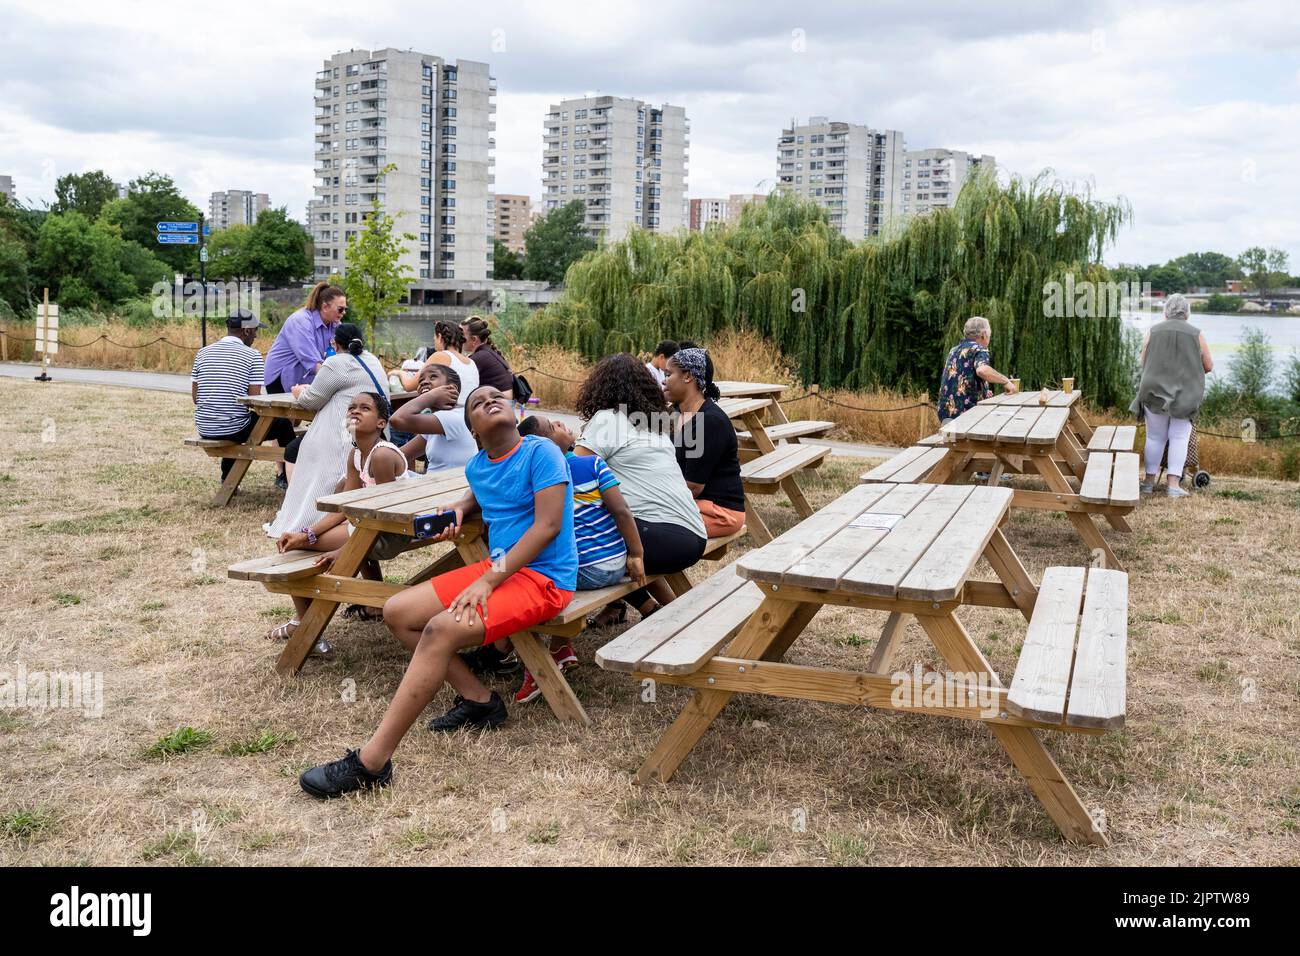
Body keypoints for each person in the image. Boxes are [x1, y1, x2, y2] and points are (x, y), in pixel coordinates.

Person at [298, 384, 577, 798]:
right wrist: (463, 509)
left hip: (544, 578)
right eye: (477, 403)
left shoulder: (541, 451)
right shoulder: (479, 465)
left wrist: (486, 581)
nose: (489, 401)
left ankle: (372, 762)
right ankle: (480, 701)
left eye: (495, 397)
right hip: (498, 568)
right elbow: (479, 488)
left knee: (439, 630)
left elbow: (547, 526)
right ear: (474, 431)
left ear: (514, 411)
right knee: (397, 610)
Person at [513, 412, 646, 703]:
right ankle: (561, 647)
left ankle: (533, 668)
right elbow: (622, 511)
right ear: (543, 444)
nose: (564, 425)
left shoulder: (533, 476)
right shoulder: (592, 463)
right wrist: (635, 553)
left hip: (584, 570)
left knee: (519, 581)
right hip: (614, 563)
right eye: (555, 426)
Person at [266, 392, 412, 645]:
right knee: (294, 542)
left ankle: (305, 624)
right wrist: (307, 533)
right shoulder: (356, 455)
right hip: (367, 527)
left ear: (381, 423)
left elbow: (388, 515)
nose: (355, 411)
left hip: (390, 533)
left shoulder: (382, 456)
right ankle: (315, 619)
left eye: (364, 408)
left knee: (291, 552)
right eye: (351, 408)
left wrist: (345, 550)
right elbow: (343, 507)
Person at [574, 353, 708, 627]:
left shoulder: (606, 418)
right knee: (619, 535)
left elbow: (575, 476)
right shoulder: (654, 423)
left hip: (661, 537)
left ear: (599, 387)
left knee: (584, 541)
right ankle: (660, 612)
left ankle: (555, 642)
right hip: (693, 534)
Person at [265, 323, 389, 538]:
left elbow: (312, 400)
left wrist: (297, 391)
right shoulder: (373, 361)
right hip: (366, 432)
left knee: (318, 471)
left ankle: (306, 523)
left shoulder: (336, 362)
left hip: (340, 430)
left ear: (334, 343)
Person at [191, 309, 295, 486]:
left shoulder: (203, 352)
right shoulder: (252, 355)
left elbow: (196, 397)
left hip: (204, 426)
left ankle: (227, 479)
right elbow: (254, 401)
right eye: (255, 331)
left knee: (237, 421)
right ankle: (290, 476)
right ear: (246, 331)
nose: (255, 336)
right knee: (283, 424)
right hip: (233, 427)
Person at [1132, 293, 1213, 498]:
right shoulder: (1197, 334)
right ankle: (1173, 485)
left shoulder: (1152, 331)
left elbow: (1143, 362)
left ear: (1166, 312)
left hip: (1154, 389)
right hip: (1185, 392)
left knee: (1154, 436)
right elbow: (1209, 365)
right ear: (1187, 313)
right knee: (1179, 437)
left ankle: (1148, 483)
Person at [662, 347, 746, 537]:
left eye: (669, 374)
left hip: (719, 512)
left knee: (644, 530)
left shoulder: (710, 421)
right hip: (690, 503)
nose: (663, 380)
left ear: (688, 376)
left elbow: (693, 487)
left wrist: (655, 500)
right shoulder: (674, 414)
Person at [389, 363, 478, 475]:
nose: (424, 382)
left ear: (451, 388)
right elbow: (400, 456)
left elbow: (397, 420)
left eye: (433, 377)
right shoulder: (436, 422)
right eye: (421, 380)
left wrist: (431, 395)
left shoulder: (455, 416)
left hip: (451, 487)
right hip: (436, 483)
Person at [264, 282, 347, 393]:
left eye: (346, 309)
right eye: (340, 309)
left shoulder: (335, 325)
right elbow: (312, 361)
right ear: (325, 307)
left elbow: (341, 356)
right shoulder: (301, 321)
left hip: (304, 378)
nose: (344, 313)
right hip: (280, 378)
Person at [936, 316, 1017, 424]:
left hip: (946, 415)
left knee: (951, 441)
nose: (989, 338)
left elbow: (960, 376)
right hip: (966, 417)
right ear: (983, 334)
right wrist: (1006, 381)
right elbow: (982, 370)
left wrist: (983, 391)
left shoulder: (953, 350)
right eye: (989, 335)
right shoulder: (979, 349)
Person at [424, 320, 480, 405]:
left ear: (439, 337)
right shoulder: (471, 362)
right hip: (470, 411)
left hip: (453, 411)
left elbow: (409, 385)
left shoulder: (440, 355)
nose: (434, 342)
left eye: (434, 338)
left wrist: (399, 373)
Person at [460, 315, 516, 395]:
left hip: (498, 404)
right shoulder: (487, 352)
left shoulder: (479, 357)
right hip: (503, 402)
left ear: (474, 339)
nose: (459, 338)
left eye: (462, 335)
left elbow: (460, 380)